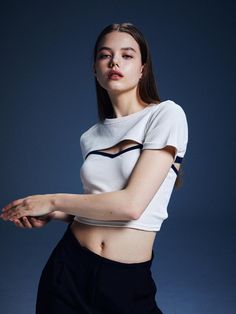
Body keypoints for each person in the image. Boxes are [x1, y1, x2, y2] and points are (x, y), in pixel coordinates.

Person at [1, 22, 188, 314]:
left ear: (143, 69)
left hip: (126, 282)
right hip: (68, 270)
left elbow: (130, 206)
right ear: (95, 69)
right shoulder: (90, 137)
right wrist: (55, 214)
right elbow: (99, 203)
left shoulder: (166, 115)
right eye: (105, 55)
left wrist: (51, 200)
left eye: (127, 55)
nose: (114, 61)